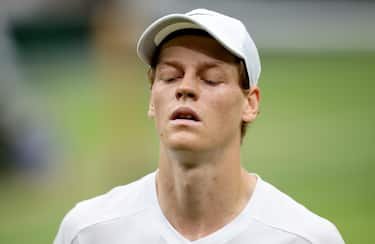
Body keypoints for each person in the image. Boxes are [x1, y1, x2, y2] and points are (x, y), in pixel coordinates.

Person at [54, 9, 345, 244]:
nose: (186, 88)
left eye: (211, 79)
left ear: (250, 104)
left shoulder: (305, 237)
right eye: (169, 77)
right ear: (152, 99)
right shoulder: (88, 232)